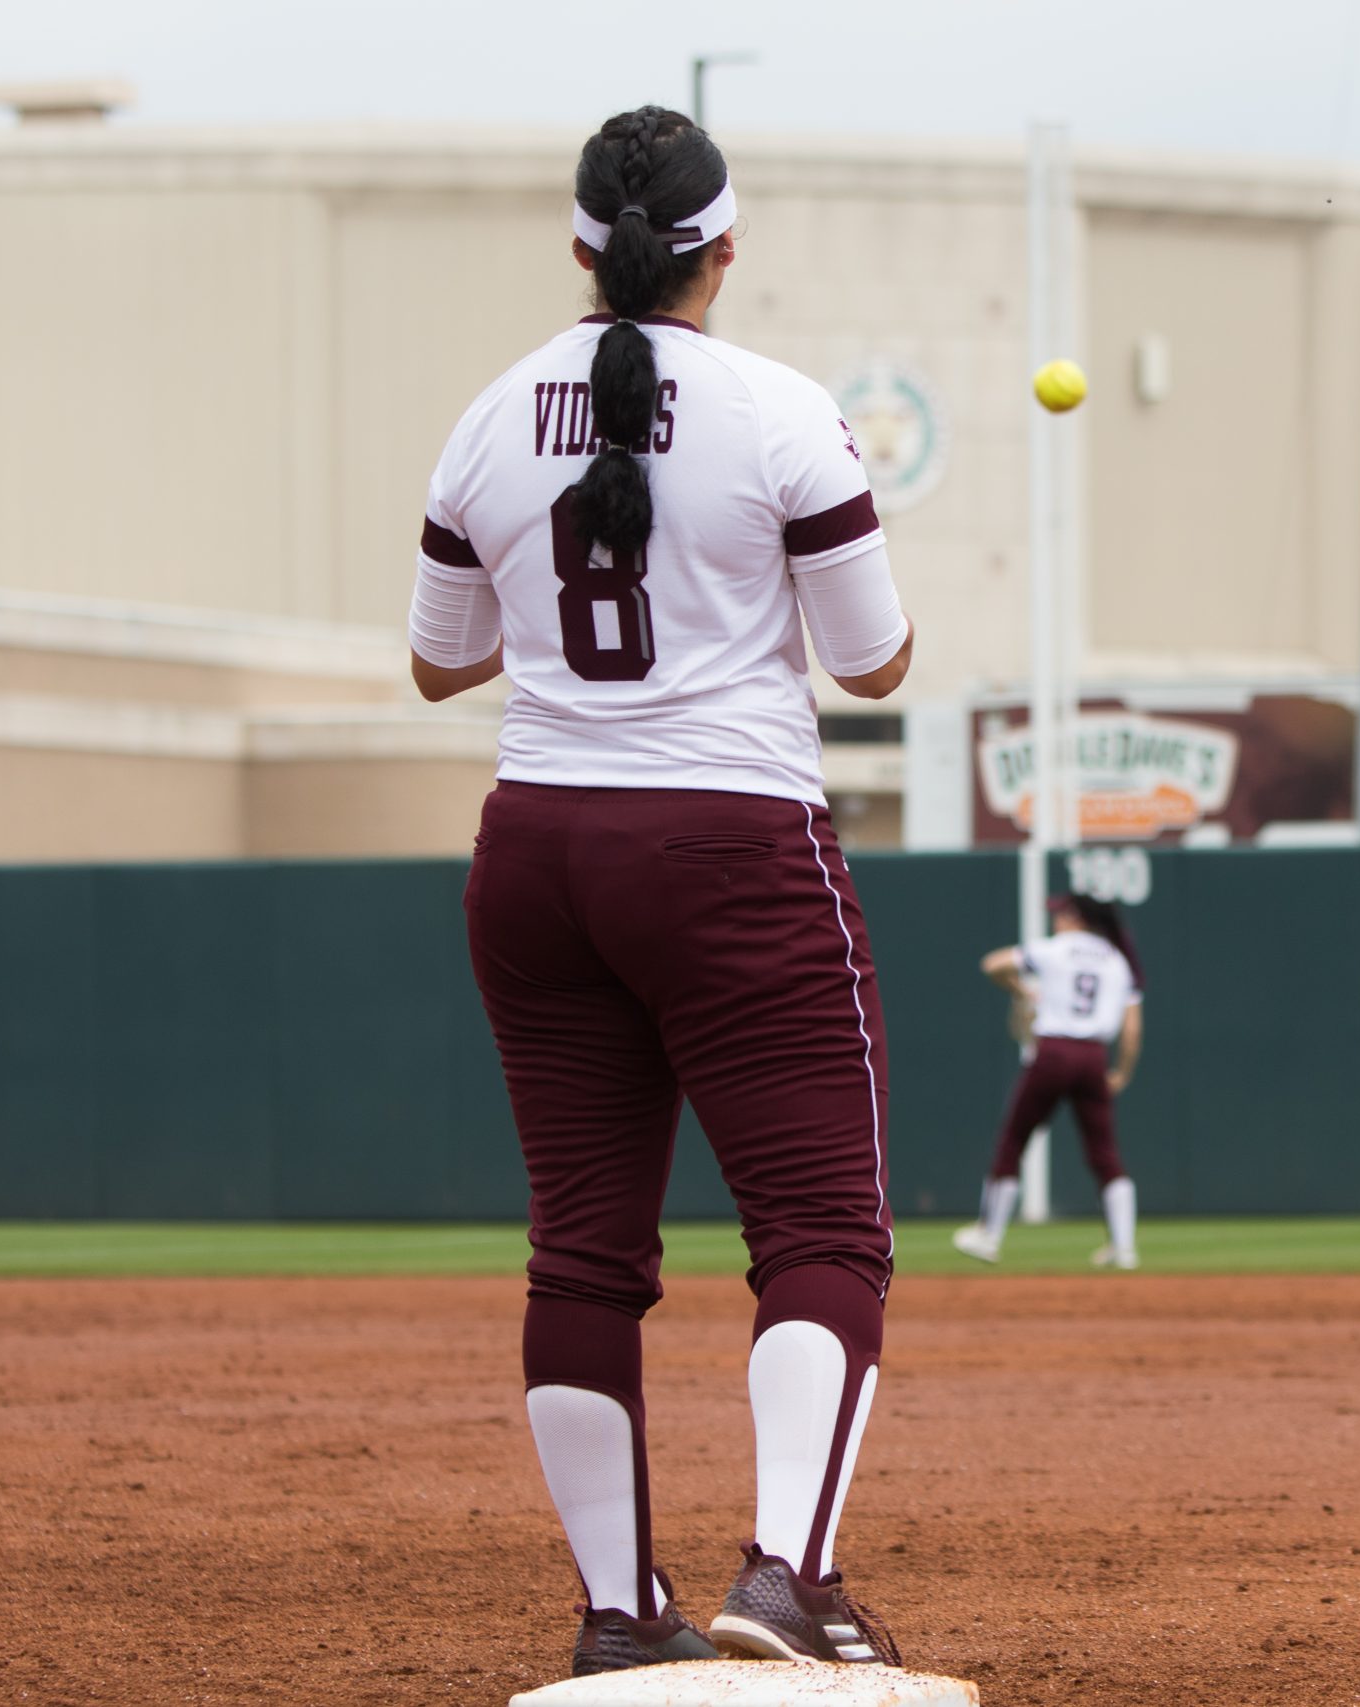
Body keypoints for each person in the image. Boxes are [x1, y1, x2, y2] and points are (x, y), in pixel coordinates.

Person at [407, 106, 917, 1676]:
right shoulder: (780, 411)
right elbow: (873, 659)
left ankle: (622, 1615)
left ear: (581, 249)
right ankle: (790, 1576)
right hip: (727, 846)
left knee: (583, 1252)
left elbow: (439, 662)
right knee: (824, 1226)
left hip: (540, 849)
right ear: (724, 250)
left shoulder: (488, 419)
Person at [952, 894, 1146, 1270]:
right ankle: (1124, 1246)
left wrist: (1022, 989)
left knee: (1014, 1139)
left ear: (1077, 918)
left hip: (1054, 1052)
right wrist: (1122, 1070)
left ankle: (989, 1235)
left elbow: (992, 964)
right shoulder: (1118, 960)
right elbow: (1133, 1028)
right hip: (1093, 1057)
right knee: (1104, 1152)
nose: (1057, 919)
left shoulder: (1056, 949)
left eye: (1062, 913)